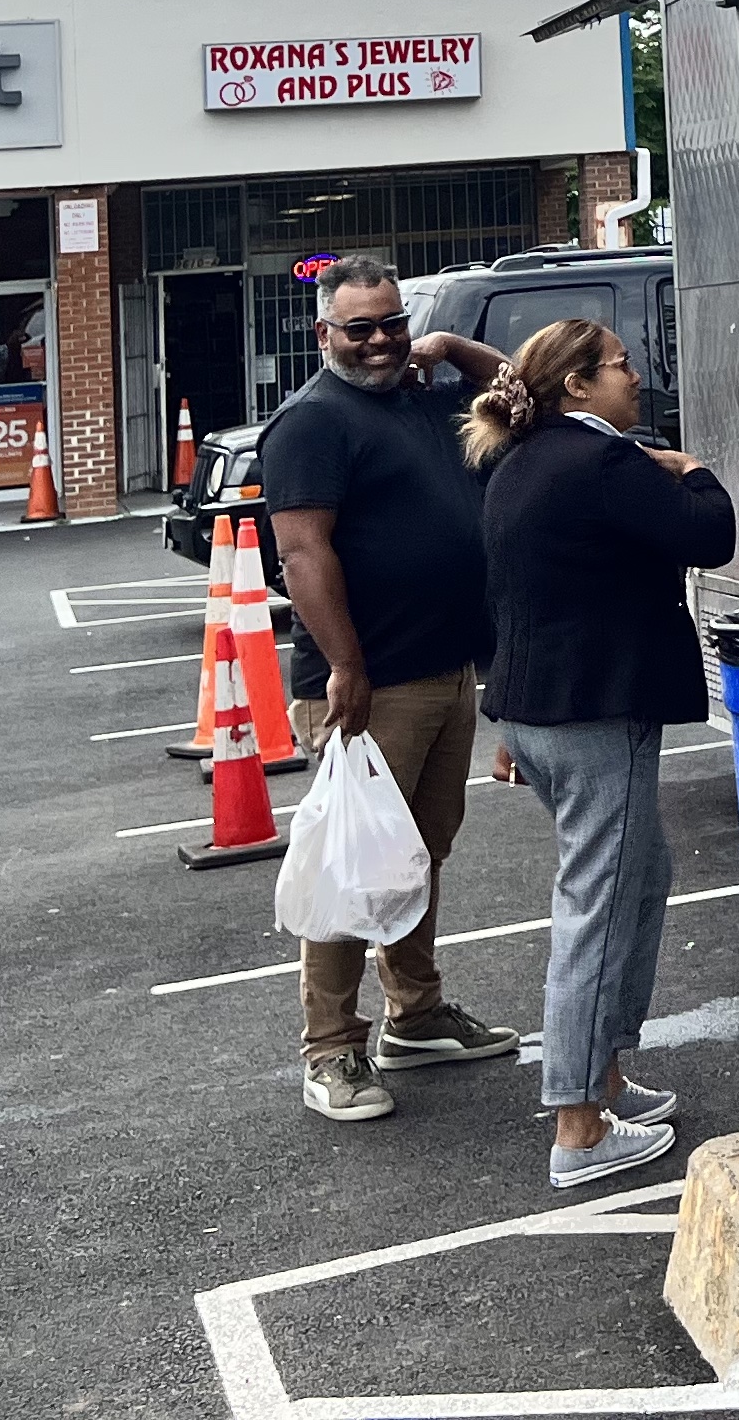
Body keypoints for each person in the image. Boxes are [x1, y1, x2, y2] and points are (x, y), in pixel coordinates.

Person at [462, 317, 736, 1191]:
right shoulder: (602, 461)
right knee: (598, 905)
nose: (635, 378)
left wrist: (509, 723)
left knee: (637, 876)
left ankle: (608, 1074)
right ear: (578, 385)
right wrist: (689, 467)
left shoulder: (520, 462)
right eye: (622, 367)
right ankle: (579, 1126)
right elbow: (709, 534)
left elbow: (512, 599)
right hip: (593, 714)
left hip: (541, 715)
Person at [263, 254, 518, 1124]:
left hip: (446, 670)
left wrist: (451, 344)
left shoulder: (427, 394)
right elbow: (304, 553)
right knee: (352, 865)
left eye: (392, 324)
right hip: (368, 684)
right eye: (359, 328)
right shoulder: (311, 423)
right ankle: (330, 1049)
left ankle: (415, 1014)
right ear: (323, 332)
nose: (379, 343)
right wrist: (345, 669)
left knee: (419, 853)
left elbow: (524, 393)